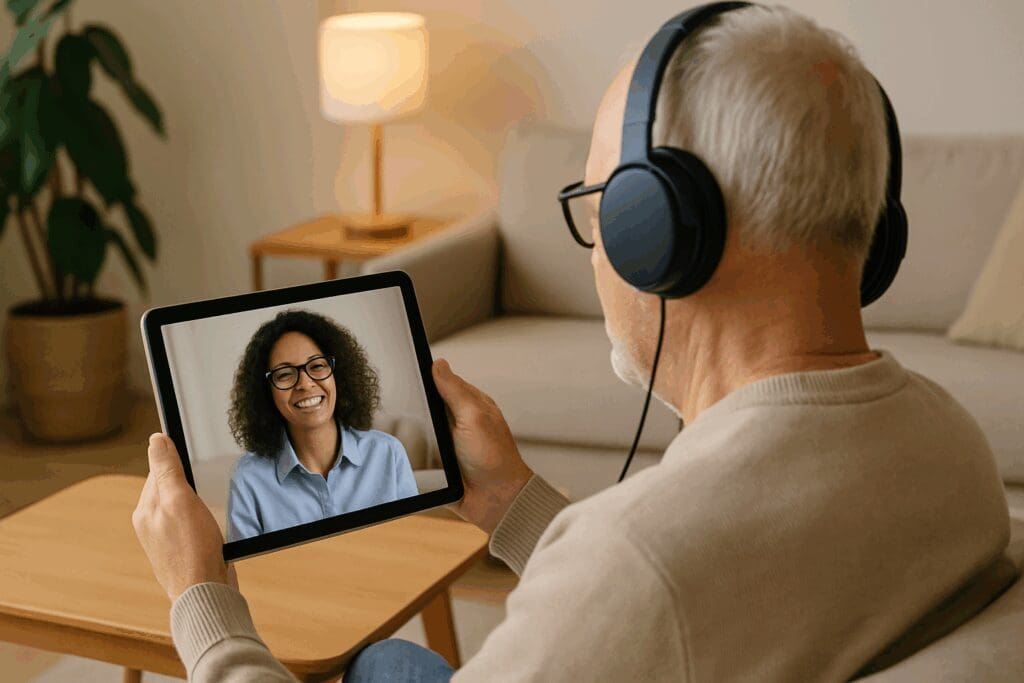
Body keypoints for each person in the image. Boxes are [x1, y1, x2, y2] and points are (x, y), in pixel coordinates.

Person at [132, 4, 1010, 681]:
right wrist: (516, 504)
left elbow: (653, 587)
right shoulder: (951, 442)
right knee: (387, 662)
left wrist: (206, 605)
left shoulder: (635, 562)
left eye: (604, 205)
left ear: (660, 234)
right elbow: (719, 605)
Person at [224, 309, 419, 541]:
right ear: (267, 392)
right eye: (285, 374)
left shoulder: (387, 453)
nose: (305, 384)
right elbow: (247, 564)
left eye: (316, 366)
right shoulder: (249, 478)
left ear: (338, 375)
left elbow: (414, 544)